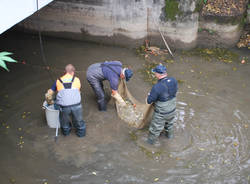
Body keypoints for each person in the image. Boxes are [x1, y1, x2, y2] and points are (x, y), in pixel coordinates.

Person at [46, 64, 86, 137]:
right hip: (77, 105)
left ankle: (66, 134)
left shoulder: (58, 81)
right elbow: (78, 92)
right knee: (79, 121)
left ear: (65, 72)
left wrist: (50, 102)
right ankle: (81, 135)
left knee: (64, 123)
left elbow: (49, 94)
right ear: (73, 72)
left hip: (64, 107)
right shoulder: (77, 80)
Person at [146, 64, 178, 145]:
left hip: (161, 114)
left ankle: (149, 145)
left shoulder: (157, 87)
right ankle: (169, 139)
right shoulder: (173, 80)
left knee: (154, 130)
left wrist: (150, 95)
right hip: (172, 109)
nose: (155, 74)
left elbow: (149, 101)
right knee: (169, 125)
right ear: (165, 73)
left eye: (155, 73)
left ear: (158, 74)